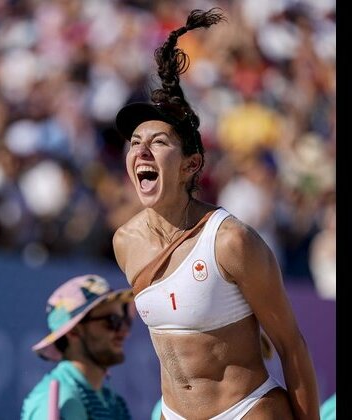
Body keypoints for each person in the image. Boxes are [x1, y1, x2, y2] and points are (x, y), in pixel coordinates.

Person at [112, 8, 319, 420]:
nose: (141, 152)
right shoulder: (125, 242)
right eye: (135, 142)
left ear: (191, 164)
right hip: (173, 413)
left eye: (158, 142)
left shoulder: (230, 240)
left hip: (247, 409)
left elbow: (291, 345)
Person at [21, 274, 133, 420]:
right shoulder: (61, 400)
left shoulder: (112, 401)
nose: (124, 332)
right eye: (113, 321)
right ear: (74, 331)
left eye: (125, 321)